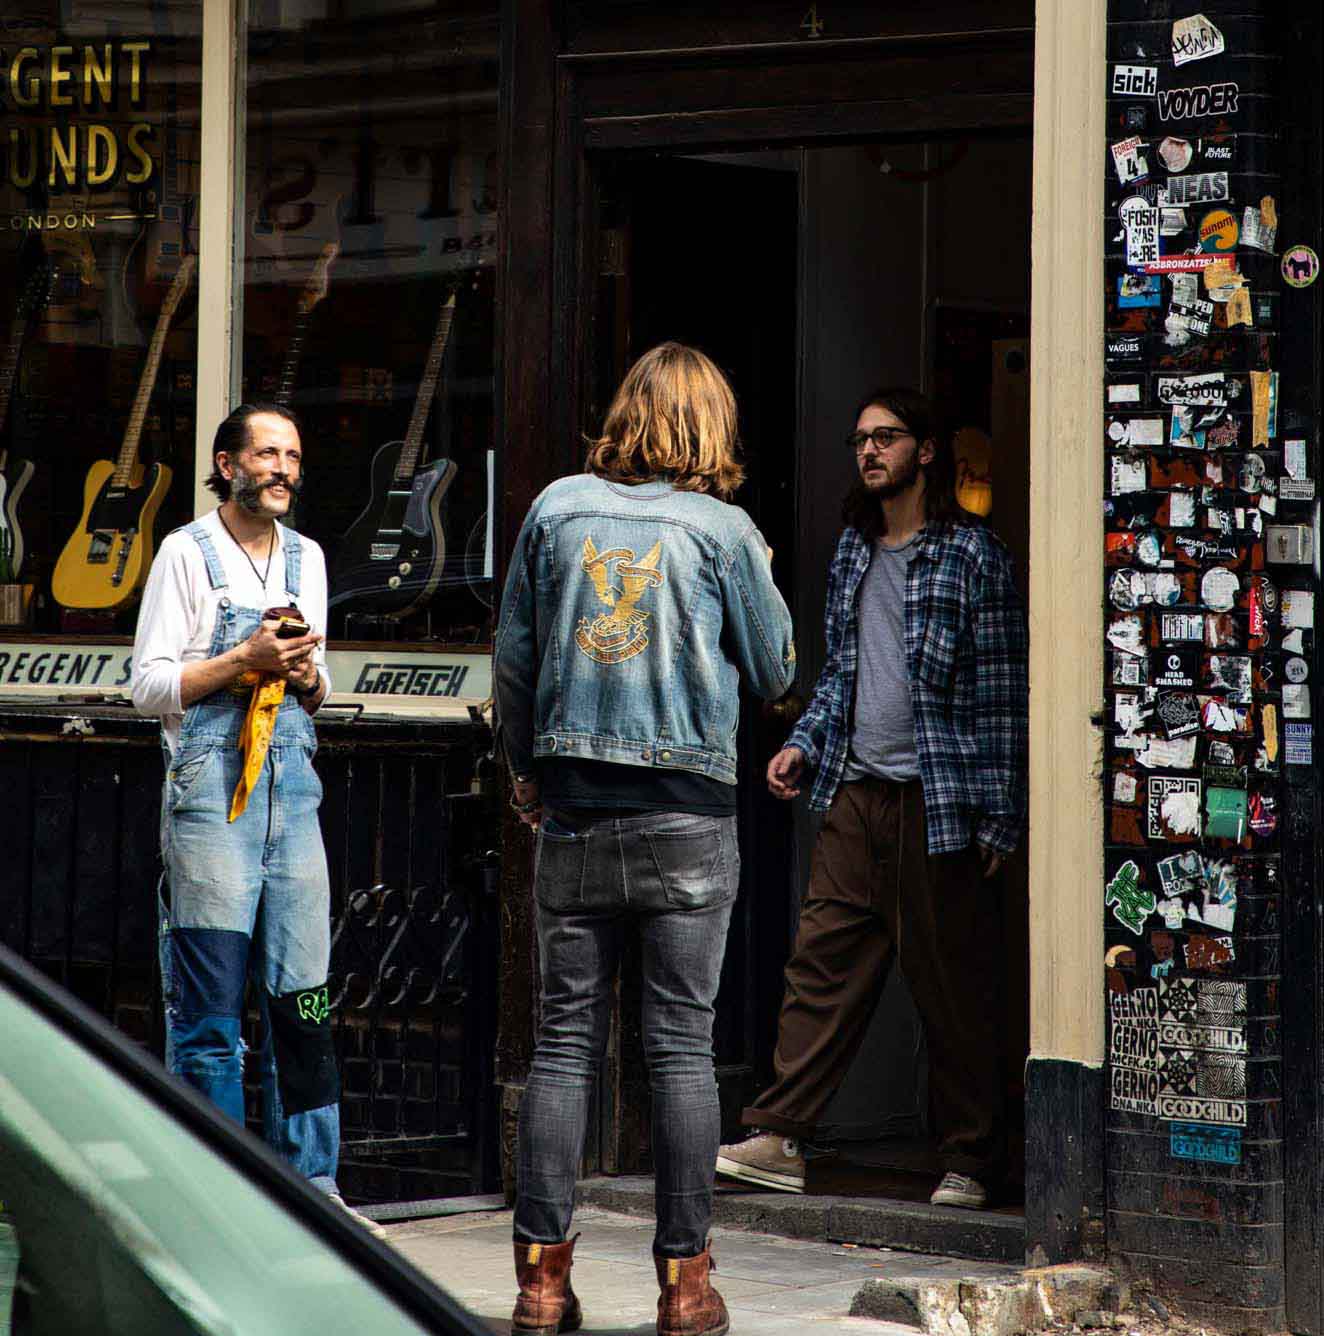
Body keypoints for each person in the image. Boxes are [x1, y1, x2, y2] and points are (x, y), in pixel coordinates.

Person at [494, 343, 796, 1336]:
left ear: (624, 414)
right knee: (679, 1050)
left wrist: (526, 773)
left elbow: (514, 663)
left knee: (563, 1046)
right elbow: (774, 666)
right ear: (712, 425)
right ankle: (684, 1286)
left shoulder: (554, 508)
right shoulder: (723, 529)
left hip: (575, 809)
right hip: (687, 816)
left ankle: (540, 1283)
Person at [715, 387, 1028, 1210]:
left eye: (885, 438)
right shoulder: (855, 550)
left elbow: (1001, 695)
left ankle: (970, 1157)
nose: (868, 451)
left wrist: (1001, 815)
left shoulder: (974, 556)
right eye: (859, 439)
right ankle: (781, 1135)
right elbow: (844, 675)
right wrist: (803, 743)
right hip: (856, 792)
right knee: (821, 963)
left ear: (926, 452)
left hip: (942, 798)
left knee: (953, 986)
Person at [131, 403, 384, 1238]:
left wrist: (308, 676)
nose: (283, 468)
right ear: (226, 462)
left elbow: (321, 687)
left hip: (294, 791)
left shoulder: (308, 559)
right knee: (208, 1002)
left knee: (303, 999)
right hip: (210, 796)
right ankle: (214, 1195)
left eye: (293, 456)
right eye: (267, 453)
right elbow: (148, 687)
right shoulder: (185, 553)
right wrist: (245, 659)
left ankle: (315, 1187)